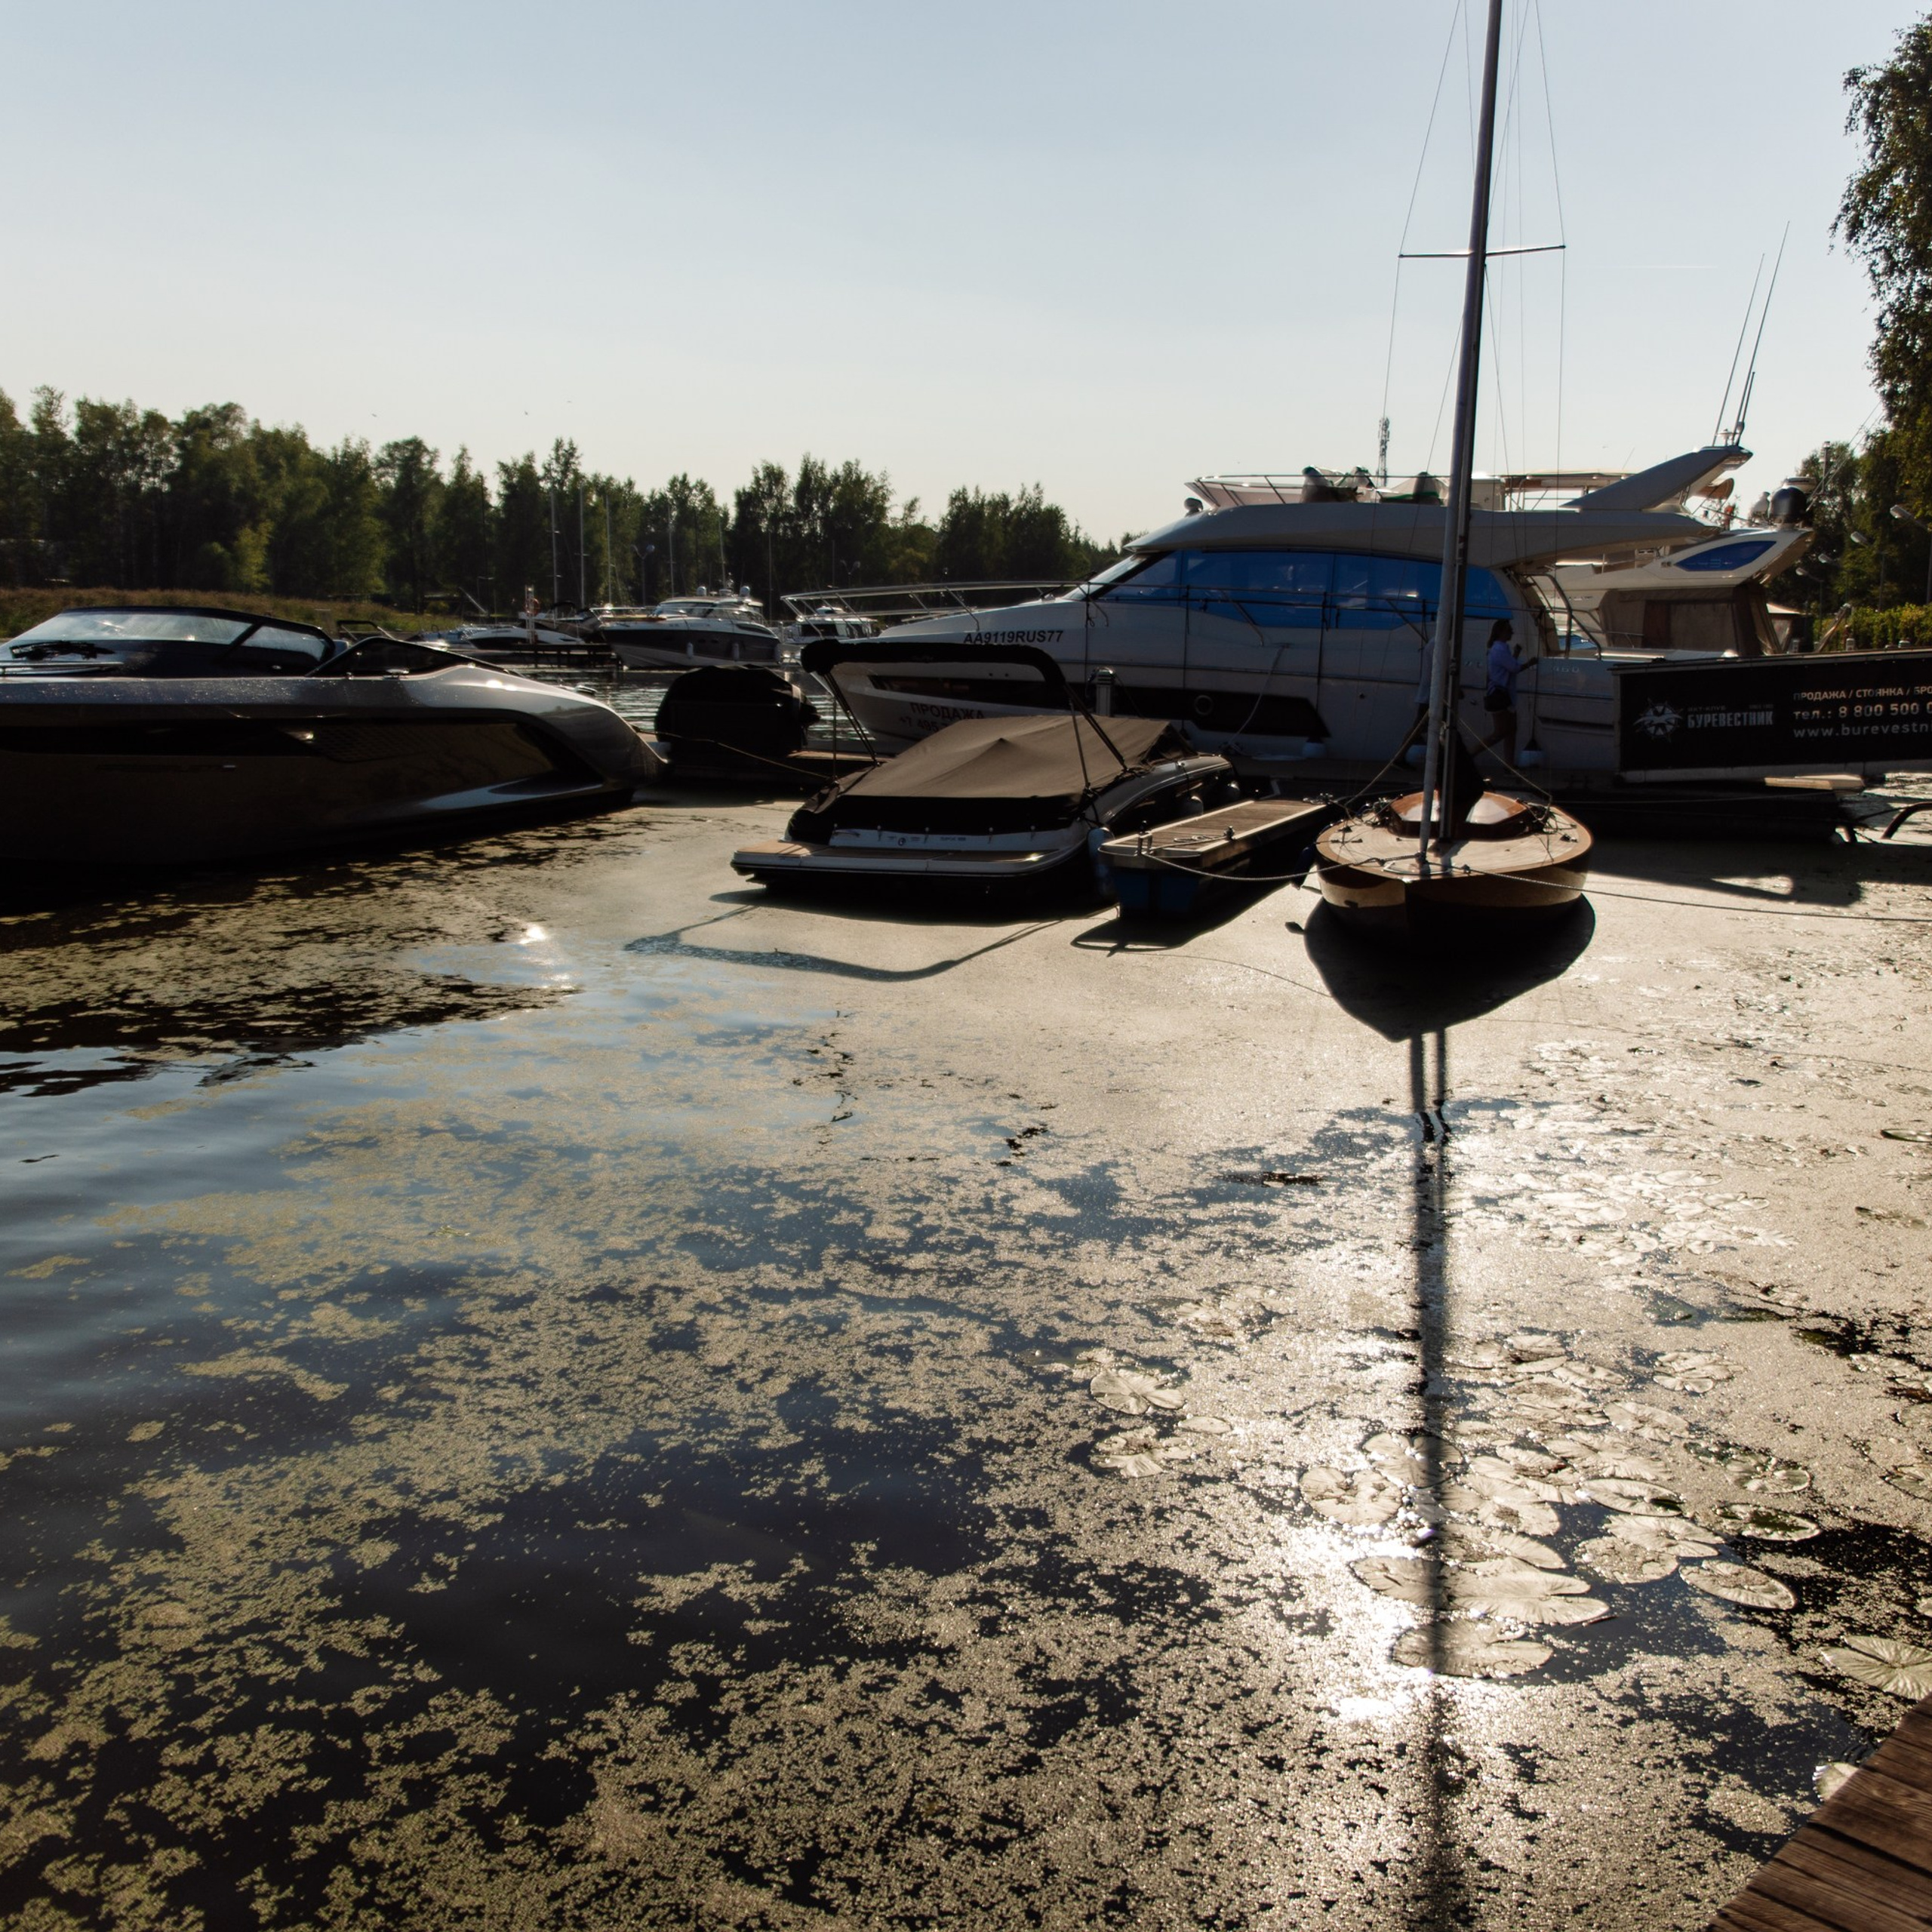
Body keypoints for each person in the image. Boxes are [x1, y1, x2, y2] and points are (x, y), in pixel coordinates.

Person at [1479, 617, 1520, 761]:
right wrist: (1530, 663)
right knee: (1501, 732)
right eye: (1509, 630)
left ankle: (1509, 764)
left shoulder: (1501, 650)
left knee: (1511, 730)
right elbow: (1515, 667)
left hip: (1504, 695)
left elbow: (1510, 667)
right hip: (1500, 695)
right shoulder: (1499, 650)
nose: (1512, 633)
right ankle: (1470, 754)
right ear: (1502, 632)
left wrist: (1515, 654)